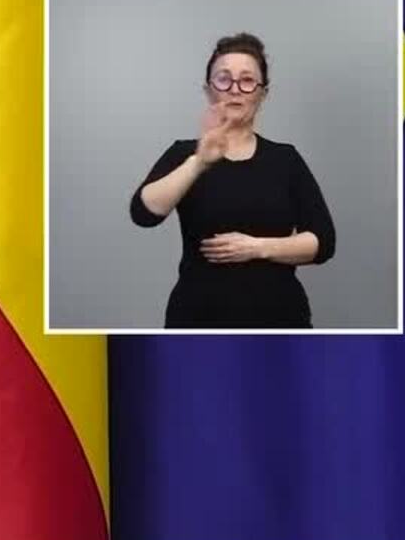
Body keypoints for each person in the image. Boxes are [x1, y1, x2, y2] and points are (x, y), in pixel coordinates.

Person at [129, 32, 336, 328]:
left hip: (280, 318)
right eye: (224, 79)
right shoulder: (184, 154)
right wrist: (199, 162)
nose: (235, 89)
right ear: (208, 90)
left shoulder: (285, 159)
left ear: (263, 93)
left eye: (247, 80)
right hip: (198, 319)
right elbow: (144, 213)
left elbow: (323, 242)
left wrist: (257, 247)